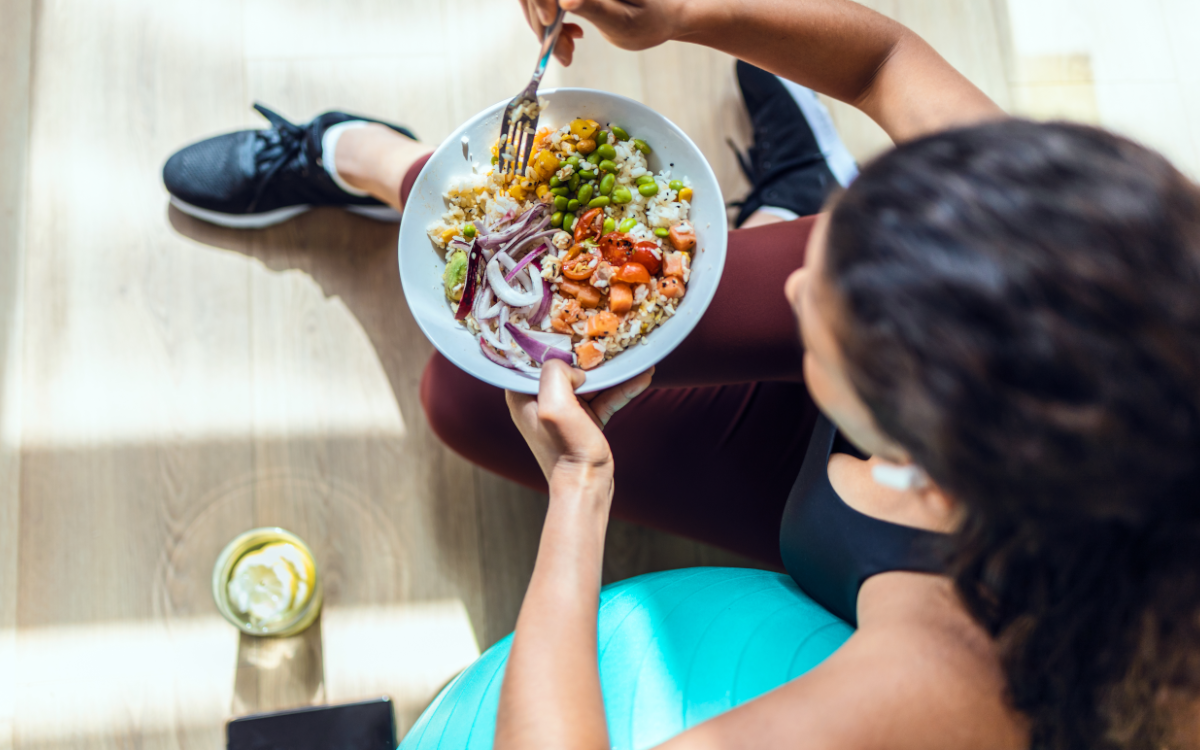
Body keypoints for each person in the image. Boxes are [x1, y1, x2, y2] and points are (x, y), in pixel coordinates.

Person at [161, 0, 1200, 747]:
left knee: (460, 400)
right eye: (825, 254)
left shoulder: (958, 680)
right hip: (868, 463)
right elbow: (888, 60)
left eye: (819, 309)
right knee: (478, 382)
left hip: (845, 549)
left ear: (929, 466)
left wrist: (582, 489)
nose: (791, 289)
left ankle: (380, 155)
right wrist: (686, 9)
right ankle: (396, 162)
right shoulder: (1092, 261)